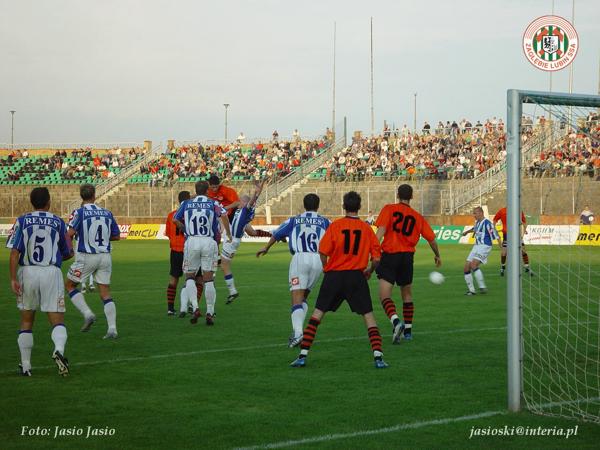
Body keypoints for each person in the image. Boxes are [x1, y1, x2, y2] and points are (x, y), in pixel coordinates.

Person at [289, 191, 388, 369]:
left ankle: (302, 355)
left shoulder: (335, 226)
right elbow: (377, 258)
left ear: (343, 206)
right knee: (368, 316)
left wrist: (326, 267)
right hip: (356, 276)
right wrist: (370, 270)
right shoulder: (366, 229)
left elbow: (323, 251)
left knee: (318, 314)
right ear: (359, 207)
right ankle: (378, 357)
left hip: (334, 275)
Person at [7, 187, 74, 376]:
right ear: (49, 202)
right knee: (57, 320)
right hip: (51, 272)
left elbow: (14, 253)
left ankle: (26, 366)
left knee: (26, 321)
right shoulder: (58, 222)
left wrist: (13, 278)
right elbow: (69, 252)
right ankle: (59, 350)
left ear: (31, 202)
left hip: (27, 272)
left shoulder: (22, 220)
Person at [256, 194, 330, 347]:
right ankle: (298, 331)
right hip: (318, 259)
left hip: (300, 258)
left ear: (304, 205)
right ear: (318, 206)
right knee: (303, 297)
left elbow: (277, 234)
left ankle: (298, 334)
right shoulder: (325, 221)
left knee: (296, 297)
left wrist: (266, 247)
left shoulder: (295, 220)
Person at [374, 184, 441, 343]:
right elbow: (432, 239)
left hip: (390, 255)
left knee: (384, 295)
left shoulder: (389, 209)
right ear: (411, 197)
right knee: (407, 294)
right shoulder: (417, 216)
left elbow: (380, 233)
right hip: (407, 258)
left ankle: (396, 321)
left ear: (397, 195)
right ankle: (408, 332)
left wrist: (372, 251)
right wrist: (437, 255)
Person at [65, 184, 121, 339]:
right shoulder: (107, 213)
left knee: (69, 285)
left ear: (81, 196)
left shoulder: (79, 212)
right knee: (105, 293)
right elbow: (116, 236)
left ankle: (87, 314)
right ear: (95, 195)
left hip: (86, 256)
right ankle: (112, 329)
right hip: (105, 257)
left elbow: (69, 233)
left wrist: (67, 250)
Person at [174, 181, 232, 326]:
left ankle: (195, 307)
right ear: (207, 191)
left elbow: (175, 219)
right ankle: (210, 312)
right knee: (208, 279)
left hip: (192, 241)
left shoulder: (186, 203)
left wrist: (185, 229)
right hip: (208, 241)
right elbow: (224, 215)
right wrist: (228, 233)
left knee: (189, 276)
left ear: (196, 190)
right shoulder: (213, 203)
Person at [221, 179, 271, 304]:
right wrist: (259, 190)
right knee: (223, 263)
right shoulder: (242, 211)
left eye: (240, 201)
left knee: (224, 265)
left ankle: (232, 291)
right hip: (233, 239)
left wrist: (255, 193)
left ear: (245, 203)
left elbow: (252, 201)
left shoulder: (245, 210)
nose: (238, 202)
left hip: (232, 240)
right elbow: (252, 231)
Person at [164, 190, 204, 317]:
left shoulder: (171, 215)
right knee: (198, 279)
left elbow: (168, 234)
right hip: (190, 250)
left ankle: (170, 308)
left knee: (174, 279)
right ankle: (193, 306)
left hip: (175, 251)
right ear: (189, 200)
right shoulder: (192, 213)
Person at [462, 207, 501, 295]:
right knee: (466, 267)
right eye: (473, 213)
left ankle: (482, 287)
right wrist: (466, 232)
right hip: (476, 246)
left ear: (481, 213)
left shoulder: (488, 223)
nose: (474, 215)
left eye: (475, 213)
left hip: (485, 246)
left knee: (473, 264)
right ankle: (471, 291)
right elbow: (474, 229)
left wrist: (502, 249)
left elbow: (496, 235)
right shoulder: (478, 223)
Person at [492, 206, 531, 276]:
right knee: (504, 252)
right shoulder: (502, 211)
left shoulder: (518, 210)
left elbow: (524, 222)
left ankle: (527, 266)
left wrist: (524, 230)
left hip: (516, 234)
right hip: (506, 234)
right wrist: (494, 229)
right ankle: (502, 267)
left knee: (523, 251)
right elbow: (494, 220)